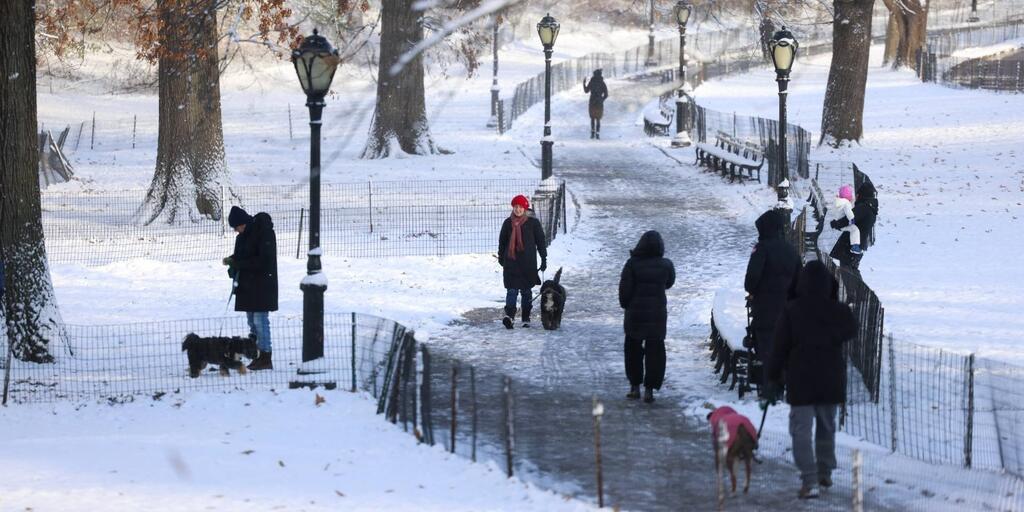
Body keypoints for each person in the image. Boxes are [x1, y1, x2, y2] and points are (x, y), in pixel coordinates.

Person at [764, 260, 857, 499]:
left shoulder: (792, 311)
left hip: (801, 380)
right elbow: (851, 328)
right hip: (830, 379)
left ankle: (809, 480)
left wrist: (772, 377)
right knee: (827, 427)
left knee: (801, 430)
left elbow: (779, 348)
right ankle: (825, 471)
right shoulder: (838, 312)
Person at [618, 230, 675, 404]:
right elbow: (669, 283)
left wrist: (626, 304)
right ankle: (650, 389)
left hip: (635, 315)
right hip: (657, 315)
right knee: (655, 352)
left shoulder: (632, 264)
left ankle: (635, 386)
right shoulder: (666, 265)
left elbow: (624, 290)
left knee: (633, 350)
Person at [223, 206, 278, 370]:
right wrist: (231, 260)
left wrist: (238, 263)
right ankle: (255, 354)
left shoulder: (263, 232)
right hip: (248, 286)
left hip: (262, 285)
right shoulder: (242, 236)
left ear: (242, 223)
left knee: (260, 321)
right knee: (251, 322)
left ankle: (265, 356)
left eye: (236, 227)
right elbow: (242, 255)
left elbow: (263, 261)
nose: (235, 231)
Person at [744, 209, 801, 363]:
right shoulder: (791, 250)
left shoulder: (762, 248)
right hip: (788, 313)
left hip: (765, 312)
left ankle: (771, 385)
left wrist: (753, 291)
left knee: (768, 357)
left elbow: (751, 279)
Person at [497, 195, 547, 329]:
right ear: (513, 208)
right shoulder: (507, 223)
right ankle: (510, 317)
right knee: (511, 291)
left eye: (520, 207)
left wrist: (543, 258)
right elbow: (502, 242)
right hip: (511, 263)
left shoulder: (533, 223)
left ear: (525, 208)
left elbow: (541, 242)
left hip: (528, 263)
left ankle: (526, 318)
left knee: (526, 291)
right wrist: (501, 258)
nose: (518, 209)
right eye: (515, 207)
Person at [830, 181, 877, 275]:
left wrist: (837, 224)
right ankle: (857, 289)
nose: (857, 196)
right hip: (858, 245)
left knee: (848, 273)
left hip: (851, 246)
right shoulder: (871, 208)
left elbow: (850, 218)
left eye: (858, 194)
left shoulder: (863, 208)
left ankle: (858, 290)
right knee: (851, 272)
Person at [832, 185, 862, 254]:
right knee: (855, 229)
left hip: (836, 223)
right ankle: (855, 246)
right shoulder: (846, 203)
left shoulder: (836, 202)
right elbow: (849, 212)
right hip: (842, 224)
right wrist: (852, 219)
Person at [583, 69, 609, 140]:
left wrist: (584, 83)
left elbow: (586, 91)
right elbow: (606, 94)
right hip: (599, 103)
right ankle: (597, 134)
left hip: (592, 102)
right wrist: (601, 99)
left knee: (592, 118)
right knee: (598, 119)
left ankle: (592, 134)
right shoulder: (602, 83)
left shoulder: (592, 82)